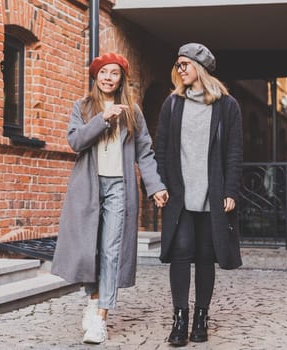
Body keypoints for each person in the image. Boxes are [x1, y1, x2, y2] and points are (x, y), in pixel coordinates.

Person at [51, 52, 169, 344]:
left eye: (114, 73)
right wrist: (102, 119)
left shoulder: (133, 112)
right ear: (96, 77)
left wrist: (155, 186)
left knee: (111, 251)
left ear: (122, 79)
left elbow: (145, 152)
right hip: (88, 187)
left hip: (120, 187)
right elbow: (75, 141)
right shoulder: (83, 107)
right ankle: (92, 300)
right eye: (103, 73)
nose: (108, 78)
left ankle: (101, 317)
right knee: (89, 249)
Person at [154, 43, 243, 346]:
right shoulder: (173, 104)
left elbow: (233, 151)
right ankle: (179, 318)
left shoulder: (226, 105)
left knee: (205, 256)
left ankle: (201, 317)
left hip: (212, 194)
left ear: (200, 68)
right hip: (180, 195)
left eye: (185, 64)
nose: (180, 69)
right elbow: (162, 148)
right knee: (181, 252)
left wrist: (230, 189)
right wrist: (160, 185)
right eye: (177, 64)